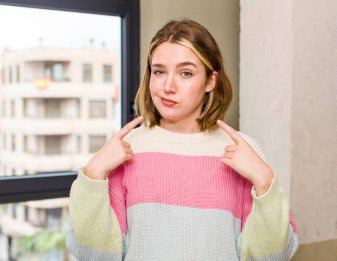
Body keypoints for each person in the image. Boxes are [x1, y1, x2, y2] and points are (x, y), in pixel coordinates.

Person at [67, 19, 298, 261]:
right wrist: (93, 173)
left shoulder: (243, 150)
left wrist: (264, 181)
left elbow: (271, 257)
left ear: (210, 81)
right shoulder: (126, 149)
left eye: (185, 73)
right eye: (159, 72)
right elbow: (94, 255)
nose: (168, 86)